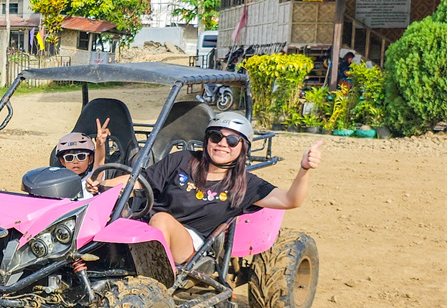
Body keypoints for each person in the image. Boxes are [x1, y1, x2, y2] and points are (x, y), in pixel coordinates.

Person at [95, 111, 322, 265]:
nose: (222, 144)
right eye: (216, 137)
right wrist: (101, 184)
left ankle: (152, 282)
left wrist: (304, 169)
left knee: (161, 220)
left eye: (232, 141)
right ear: (207, 140)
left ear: (243, 148)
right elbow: (138, 180)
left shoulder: (244, 184)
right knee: (113, 211)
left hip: (189, 244)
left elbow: (291, 200)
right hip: (146, 229)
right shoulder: (182, 160)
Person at [56, 118, 109, 198]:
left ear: (90, 159)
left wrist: (100, 144)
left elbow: (99, 163)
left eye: (81, 156)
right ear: (63, 161)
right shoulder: (57, 183)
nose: (75, 161)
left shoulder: (92, 179)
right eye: (69, 158)